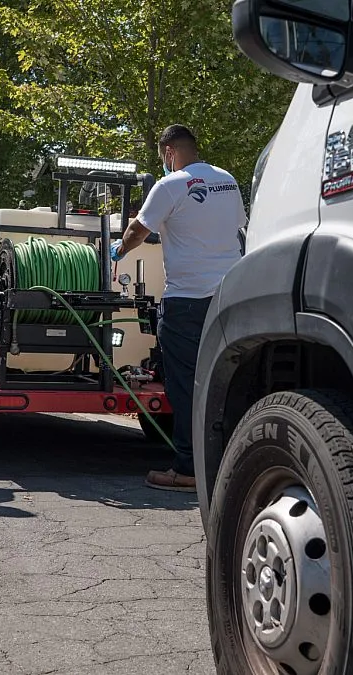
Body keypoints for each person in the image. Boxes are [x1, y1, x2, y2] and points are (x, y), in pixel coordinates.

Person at [110, 124, 246, 491]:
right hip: (230, 297)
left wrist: (119, 250)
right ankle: (233, 467)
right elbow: (237, 230)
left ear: (169, 152)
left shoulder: (170, 185)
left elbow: (138, 231)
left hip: (187, 301)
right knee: (229, 382)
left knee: (186, 387)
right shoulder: (228, 180)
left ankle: (187, 469)